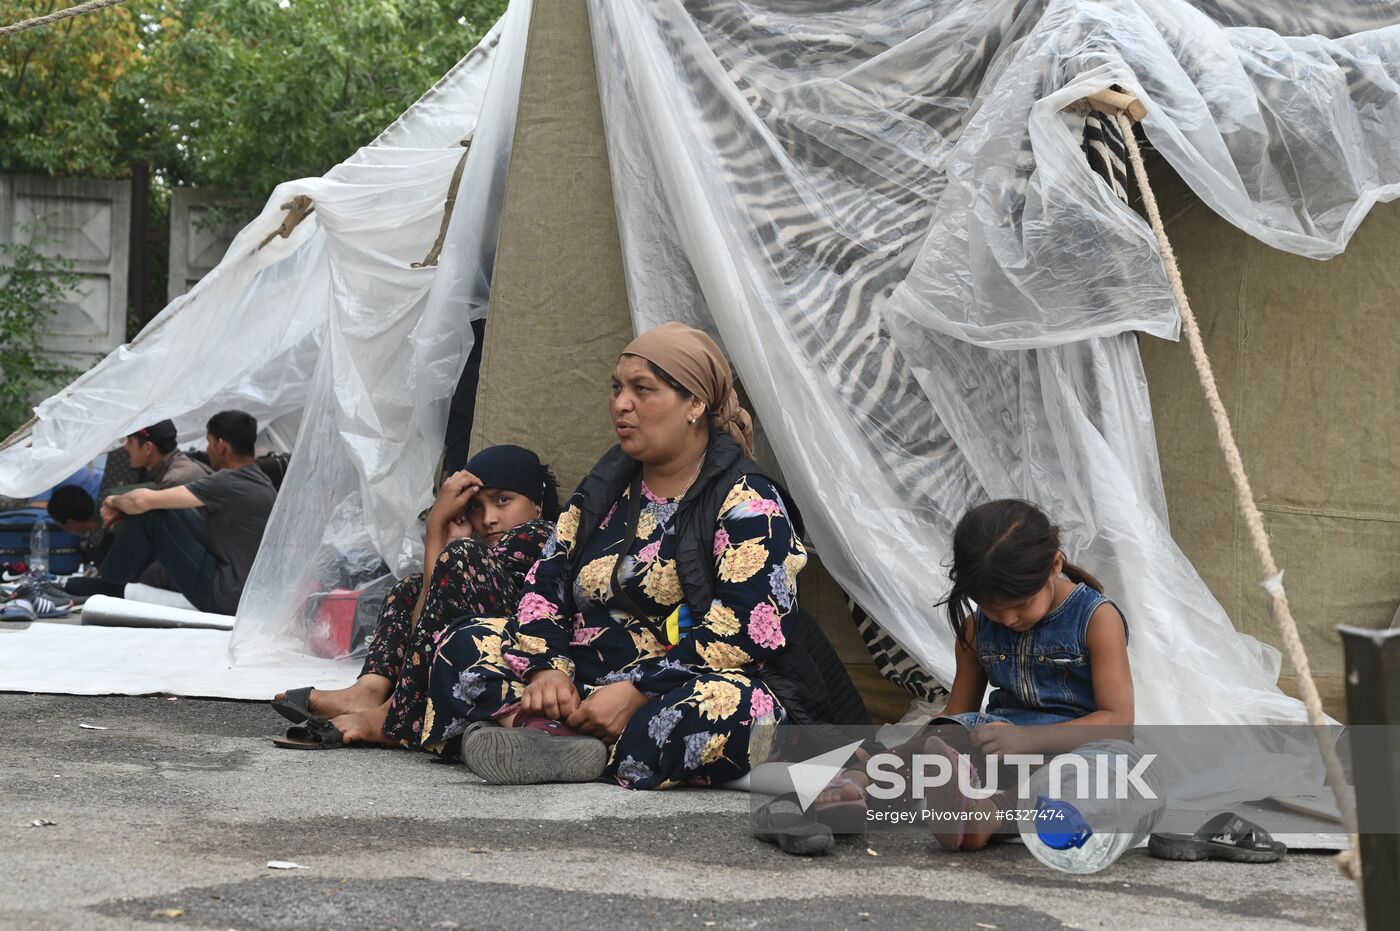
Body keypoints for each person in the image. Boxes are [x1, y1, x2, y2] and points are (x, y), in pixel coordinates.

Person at [421, 322, 865, 789]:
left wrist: (637, 690)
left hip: (672, 686)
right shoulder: (603, 491)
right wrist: (547, 669)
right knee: (464, 642)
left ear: (695, 403)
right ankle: (564, 736)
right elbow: (545, 585)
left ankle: (554, 740)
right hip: (582, 678)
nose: (621, 403)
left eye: (642, 389)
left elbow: (749, 626)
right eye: (617, 388)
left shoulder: (748, 500)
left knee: (725, 706)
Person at [270, 444, 559, 750]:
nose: (488, 518)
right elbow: (425, 617)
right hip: (476, 647)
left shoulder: (539, 535)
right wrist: (443, 542)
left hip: (523, 651)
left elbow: (437, 614)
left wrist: (439, 531)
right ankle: (369, 691)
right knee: (409, 588)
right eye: (476, 506)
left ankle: (396, 716)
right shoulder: (488, 557)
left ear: (537, 503)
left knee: (458, 558)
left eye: (503, 500)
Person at [912, 499, 1133, 851]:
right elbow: (958, 712)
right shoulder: (975, 629)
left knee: (1076, 779)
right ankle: (860, 786)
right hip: (1001, 751)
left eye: (1020, 605)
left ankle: (987, 817)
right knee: (943, 734)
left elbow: (1118, 722)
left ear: (1054, 566)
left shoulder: (1096, 619)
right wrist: (925, 743)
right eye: (992, 609)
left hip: (1076, 752)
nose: (1008, 620)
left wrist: (1028, 740)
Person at [95, 410, 277, 615]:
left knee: (152, 515)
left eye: (209, 442)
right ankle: (114, 584)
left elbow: (142, 501)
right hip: (245, 591)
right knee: (156, 508)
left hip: (226, 596)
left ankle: (108, 587)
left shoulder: (228, 482)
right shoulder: (260, 480)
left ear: (221, 445)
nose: (207, 449)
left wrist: (112, 501)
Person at [122, 420, 212, 489]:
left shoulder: (174, 482)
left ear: (148, 448)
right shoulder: (180, 463)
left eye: (130, 441)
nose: (125, 446)